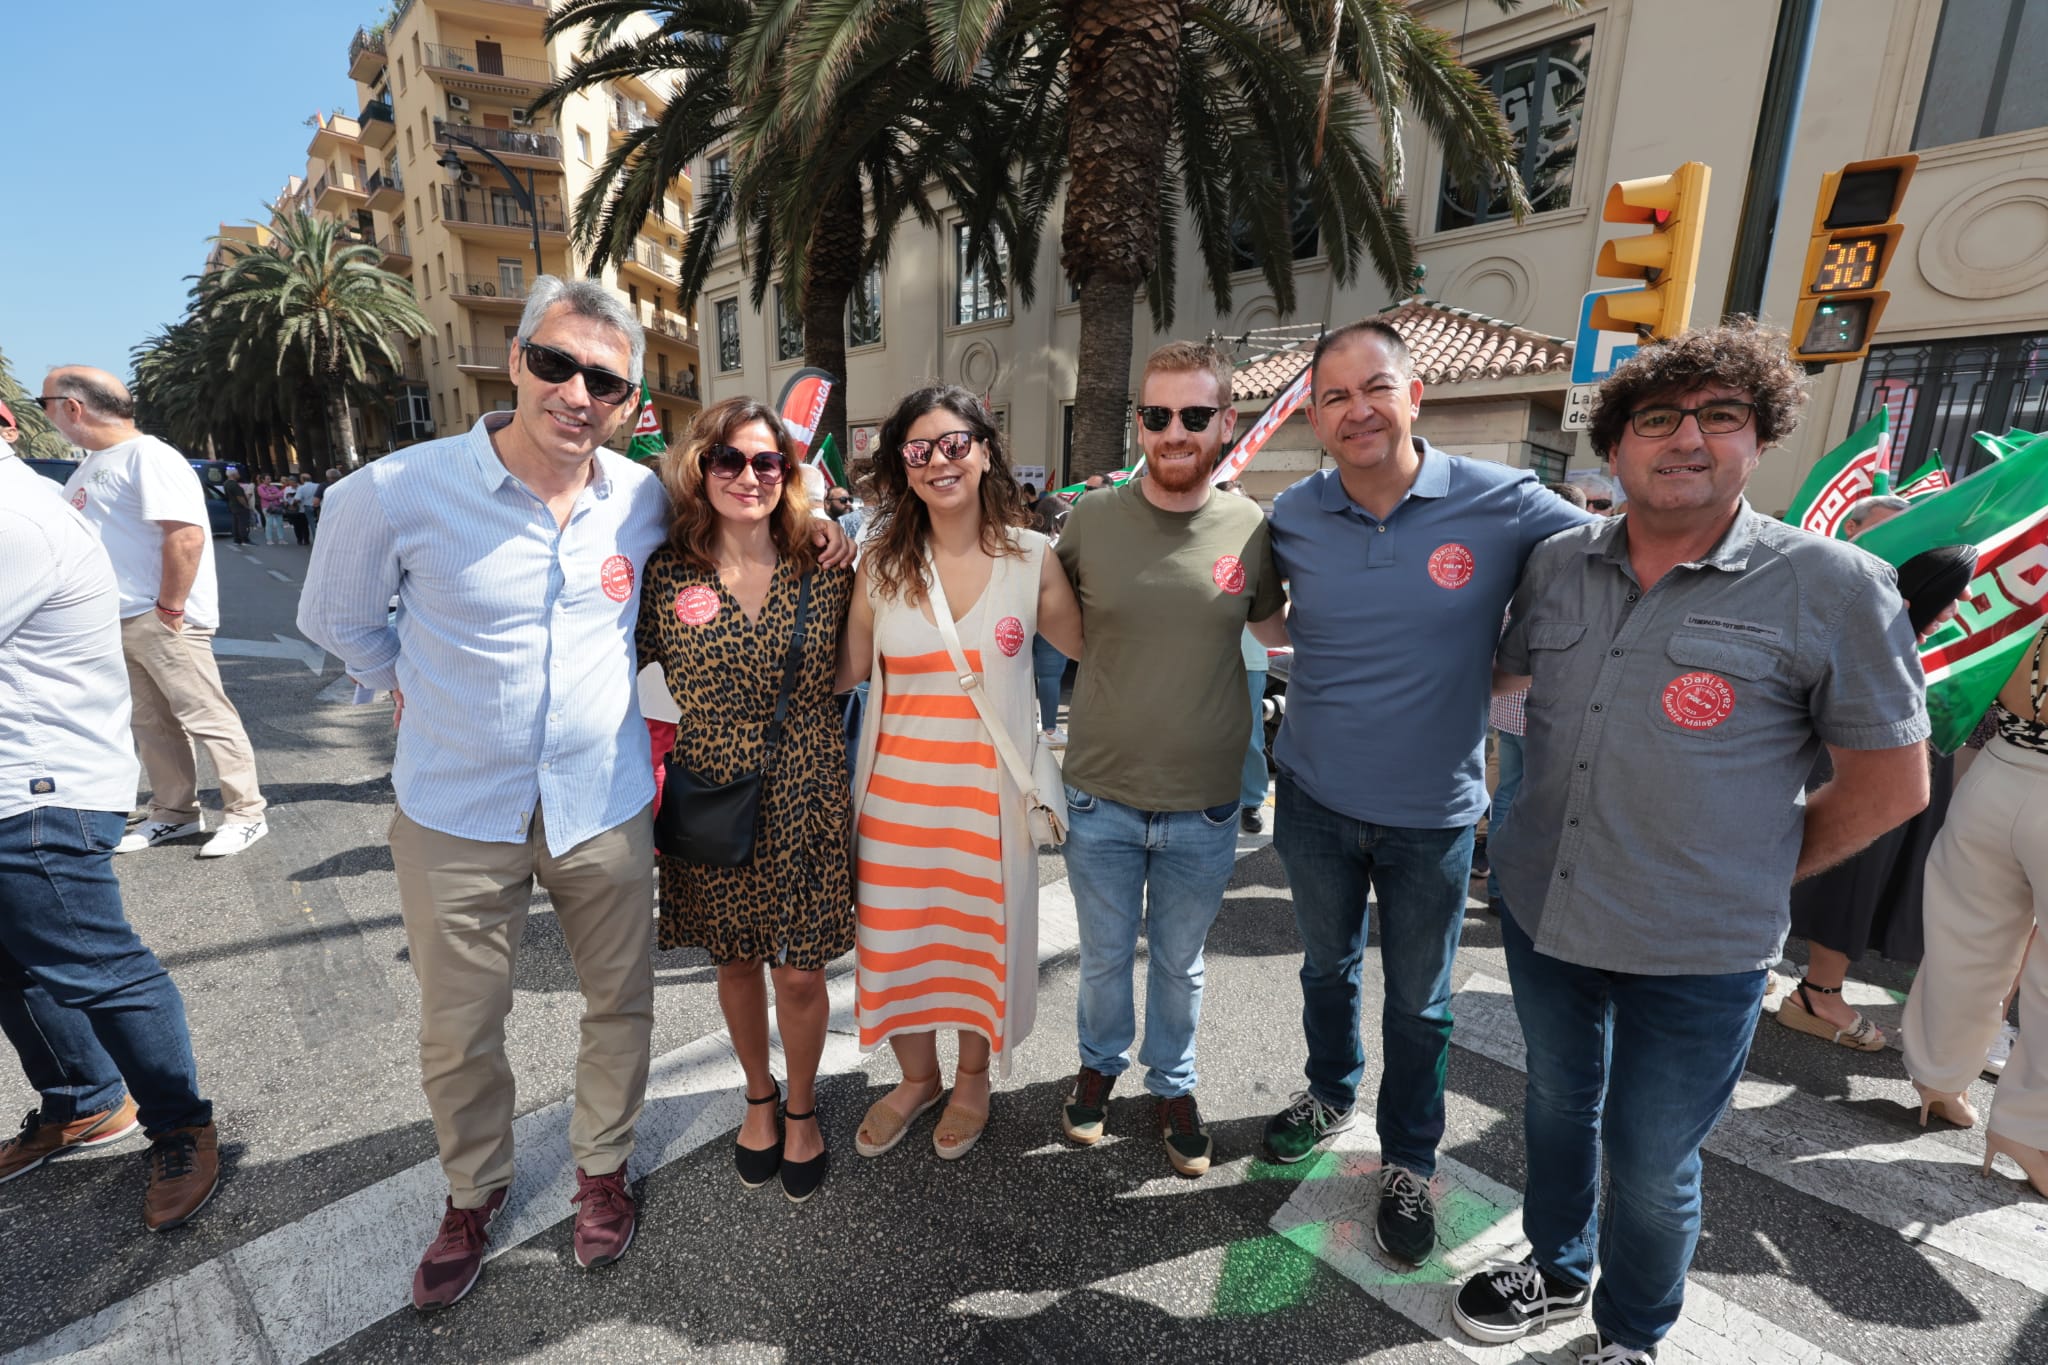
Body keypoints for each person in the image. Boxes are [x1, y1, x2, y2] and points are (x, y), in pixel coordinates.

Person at [1453, 321, 1930, 1365]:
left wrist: (1761, 864)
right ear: (1614, 445)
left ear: (1757, 441)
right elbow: (1510, 693)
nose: (1685, 439)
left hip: (1700, 948)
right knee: (1552, 1107)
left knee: (1653, 1155)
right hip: (1545, 910)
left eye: (1720, 416)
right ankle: (1554, 1264)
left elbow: (1890, 783)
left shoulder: (1835, 585)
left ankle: (1630, 1337)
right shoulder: (1552, 565)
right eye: (1657, 418)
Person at [299, 277, 671, 1308]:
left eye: (604, 379)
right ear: (515, 361)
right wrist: (402, 684)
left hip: (601, 803)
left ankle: (602, 1171)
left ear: (629, 399)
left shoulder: (641, 500)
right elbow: (339, 621)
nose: (575, 393)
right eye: (555, 364)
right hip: (455, 810)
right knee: (460, 1027)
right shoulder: (391, 492)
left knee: (620, 1004)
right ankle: (472, 1192)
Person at [1259, 322, 1592, 1262]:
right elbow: (1252, 607)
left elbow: (1613, 566)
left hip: (1435, 815)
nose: (1356, 409)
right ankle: (1330, 1091)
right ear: (1314, 416)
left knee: (1422, 1004)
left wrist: (1504, 669)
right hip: (1315, 798)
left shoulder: (1508, 504)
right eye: (1333, 396)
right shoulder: (1292, 515)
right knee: (1326, 967)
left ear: (1417, 397)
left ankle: (1408, 1158)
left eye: (1375, 388)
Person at [1055, 341, 1286, 1178]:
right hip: (1101, 797)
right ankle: (1099, 1064)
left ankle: (1175, 1082)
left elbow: (1276, 629)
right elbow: (1044, 608)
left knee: (1182, 963)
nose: (1174, 432)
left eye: (1194, 415)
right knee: (1106, 956)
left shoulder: (1254, 527)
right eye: (1157, 416)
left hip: (1205, 803)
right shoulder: (1092, 519)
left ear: (1226, 422)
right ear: (1140, 423)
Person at [839, 385, 1083, 1163]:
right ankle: (917, 1078)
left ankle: (972, 1076)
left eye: (955, 444)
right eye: (920, 450)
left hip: (989, 802)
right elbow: (844, 670)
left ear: (984, 450)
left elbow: (1097, 652)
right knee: (900, 946)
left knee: (981, 945)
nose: (940, 461)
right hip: (894, 804)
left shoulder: (1032, 558)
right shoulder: (878, 565)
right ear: (902, 468)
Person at [636, 398, 854, 1204]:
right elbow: (594, 657)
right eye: (727, 459)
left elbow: (864, 660)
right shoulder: (668, 571)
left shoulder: (824, 561)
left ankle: (801, 1106)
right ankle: (756, 1094)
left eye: (768, 462)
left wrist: (840, 528)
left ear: (789, 476)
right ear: (699, 468)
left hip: (806, 779)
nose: (748, 476)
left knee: (799, 975)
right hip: (712, 783)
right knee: (734, 959)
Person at [0, 437, 221, 1229]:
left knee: (96, 964)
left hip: (35, 786)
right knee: (17, 959)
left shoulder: (14, 517)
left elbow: (181, 536)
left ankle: (180, 1122)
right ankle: (83, 1100)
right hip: (24, 782)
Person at [44, 367, 270, 859]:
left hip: (161, 614)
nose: (47, 415)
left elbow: (184, 535)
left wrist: (170, 606)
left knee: (207, 716)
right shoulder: (93, 464)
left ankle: (246, 814)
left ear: (72, 407)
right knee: (152, 724)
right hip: (116, 617)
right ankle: (174, 813)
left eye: (45, 404)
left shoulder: (150, 456)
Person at [1779, 492, 1949, 1051]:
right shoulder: (1815, 577)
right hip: (1839, 740)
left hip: (1905, 735)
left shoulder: (1898, 594)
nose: (1902, 547)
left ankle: (1809, 982)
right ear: (1851, 527)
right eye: (1889, 532)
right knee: (1841, 862)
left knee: (1866, 860)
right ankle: (1817, 990)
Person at [1899, 624, 2048, 1197]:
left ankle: (1937, 1079)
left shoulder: (2028, 596)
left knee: (1965, 942)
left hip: (1998, 774)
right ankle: (2030, 1129)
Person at [1238, 628, 1269, 833]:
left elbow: (1285, 600)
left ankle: (1251, 802)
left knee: (1250, 735)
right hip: (1205, 654)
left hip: (1250, 657)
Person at [257, 475, 290, 545]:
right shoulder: (260, 488)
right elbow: (265, 496)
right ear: (263, 480)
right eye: (268, 479)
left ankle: (281, 539)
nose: (269, 480)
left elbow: (281, 495)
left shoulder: (274, 487)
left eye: (270, 478)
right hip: (267, 507)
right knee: (269, 523)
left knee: (280, 523)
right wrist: (276, 495)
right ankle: (269, 539)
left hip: (277, 506)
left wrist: (273, 496)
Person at [224, 472, 253, 545]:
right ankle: (245, 539)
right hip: (240, 507)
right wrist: (246, 505)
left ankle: (237, 539)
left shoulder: (226, 483)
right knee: (243, 523)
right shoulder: (234, 485)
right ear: (233, 475)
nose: (239, 475)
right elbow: (239, 497)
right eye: (237, 473)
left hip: (233, 506)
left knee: (236, 523)